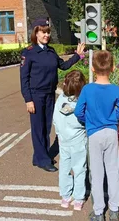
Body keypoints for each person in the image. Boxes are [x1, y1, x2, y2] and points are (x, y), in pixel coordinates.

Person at [20, 17, 85, 172]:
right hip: (36, 95)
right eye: (43, 32)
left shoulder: (51, 51)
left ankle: (38, 157)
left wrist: (77, 55)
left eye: (48, 32)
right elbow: (24, 79)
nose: (46, 35)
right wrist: (28, 100)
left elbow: (62, 66)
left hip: (49, 94)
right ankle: (43, 159)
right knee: (38, 128)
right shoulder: (29, 53)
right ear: (36, 33)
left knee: (47, 127)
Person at [74, 50, 119, 221]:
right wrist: (111, 119)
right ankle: (114, 210)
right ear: (112, 69)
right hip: (111, 133)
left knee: (96, 174)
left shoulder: (88, 89)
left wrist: (88, 121)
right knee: (112, 172)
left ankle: (98, 212)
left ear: (92, 69)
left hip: (94, 133)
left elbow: (78, 112)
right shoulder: (115, 90)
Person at [53, 70, 87, 211]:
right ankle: (78, 198)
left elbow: (55, 119)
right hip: (78, 139)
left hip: (63, 139)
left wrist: (59, 134)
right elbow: (82, 121)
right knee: (79, 169)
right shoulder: (80, 102)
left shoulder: (61, 99)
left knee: (65, 168)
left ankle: (65, 196)